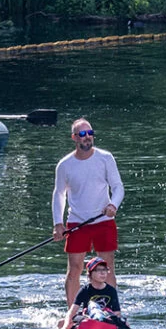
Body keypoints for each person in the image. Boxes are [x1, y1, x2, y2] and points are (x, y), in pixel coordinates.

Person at [52, 118, 124, 304]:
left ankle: (111, 310)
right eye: (82, 134)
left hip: (103, 221)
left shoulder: (105, 158)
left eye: (90, 133)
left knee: (106, 268)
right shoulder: (65, 165)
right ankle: (72, 313)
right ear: (74, 138)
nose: (87, 138)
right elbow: (59, 195)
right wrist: (58, 224)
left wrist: (113, 205)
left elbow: (118, 187)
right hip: (77, 223)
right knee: (75, 268)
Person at [53, 257, 129, 329]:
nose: (103, 273)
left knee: (126, 324)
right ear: (90, 274)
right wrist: (65, 326)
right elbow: (72, 311)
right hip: (88, 318)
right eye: (98, 270)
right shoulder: (85, 290)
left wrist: (119, 323)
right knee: (61, 322)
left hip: (106, 318)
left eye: (104, 270)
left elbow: (117, 312)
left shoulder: (111, 290)